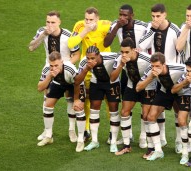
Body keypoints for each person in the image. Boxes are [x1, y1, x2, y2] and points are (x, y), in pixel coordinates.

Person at [28, 10, 80, 143]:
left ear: (59, 22)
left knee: (70, 99)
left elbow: (77, 55)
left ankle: (71, 130)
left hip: (67, 71)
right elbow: (31, 48)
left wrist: (64, 66)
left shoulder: (68, 35)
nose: (50, 25)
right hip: (49, 68)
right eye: (48, 22)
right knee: (47, 99)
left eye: (53, 22)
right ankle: (47, 132)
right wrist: (43, 35)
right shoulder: (43, 32)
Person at [139, 3, 185, 150]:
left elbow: (180, 50)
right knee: (158, 109)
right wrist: (152, 29)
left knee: (178, 110)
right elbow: (141, 46)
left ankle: (179, 141)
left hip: (172, 76)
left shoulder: (174, 30)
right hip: (155, 75)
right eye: (153, 16)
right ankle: (162, 138)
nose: (155, 19)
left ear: (165, 14)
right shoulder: (149, 28)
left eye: (158, 16)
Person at [104, 4, 149, 145]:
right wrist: (117, 26)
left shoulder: (142, 26)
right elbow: (106, 43)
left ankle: (144, 136)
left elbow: (151, 42)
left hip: (142, 68)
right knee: (126, 103)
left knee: (145, 105)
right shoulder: (115, 25)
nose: (122, 18)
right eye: (120, 15)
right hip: (126, 70)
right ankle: (127, 135)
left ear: (132, 15)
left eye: (125, 15)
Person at [136, 52, 191, 161]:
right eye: (152, 66)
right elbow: (138, 87)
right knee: (151, 117)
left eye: (158, 66)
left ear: (164, 64)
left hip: (181, 92)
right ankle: (158, 150)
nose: (155, 68)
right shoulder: (151, 71)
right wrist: (151, 76)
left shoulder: (179, 68)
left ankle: (183, 147)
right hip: (165, 91)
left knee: (181, 120)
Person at [68, 7, 112, 141]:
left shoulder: (106, 25)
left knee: (109, 100)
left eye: (91, 20)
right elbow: (71, 43)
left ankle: (112, 131)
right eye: (86, 19)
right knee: (86, 98)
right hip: (87, 65)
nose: (88, 22)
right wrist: (85, 30)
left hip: (105, 66)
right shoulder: (80, 25)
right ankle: (86, 129)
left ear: (97, 19)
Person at [110, 38, 156, 155]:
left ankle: (150, 146)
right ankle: (126, 145)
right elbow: (113, 78)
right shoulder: (120, 59)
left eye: (127, 52)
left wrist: (142, 85)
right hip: (132, 86)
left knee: (146, 115)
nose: (124, 54)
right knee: (124, 112)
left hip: (147, 86)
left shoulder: (146, 60)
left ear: (134, 50)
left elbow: (154, 75)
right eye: (122, 52)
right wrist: (121, 64)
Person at [36, 51, 86, 153]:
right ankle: (49, 136)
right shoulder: (47, 69)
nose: (54, 68)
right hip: (58, 83)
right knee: (47, 105)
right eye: (51, 65)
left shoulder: (70, 69)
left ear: (62, 62)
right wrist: (50, 76)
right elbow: (40, 88)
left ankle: (79, 139)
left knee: (78, 108)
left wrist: (77, 100)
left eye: (56, 65)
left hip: (74, 84)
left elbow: (78, 82)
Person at [75, 46, 121, 153]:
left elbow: (121, 56)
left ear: (99, 56)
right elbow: (77, 81)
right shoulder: (84, 62)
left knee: (113, 110)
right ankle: (95, 141)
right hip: (96, 83)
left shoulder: (111, 57)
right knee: (94, 110)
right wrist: (86, 68)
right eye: (88, 58)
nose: (90, 60)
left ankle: (113, 141)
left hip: (112, 84)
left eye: (92, 58)